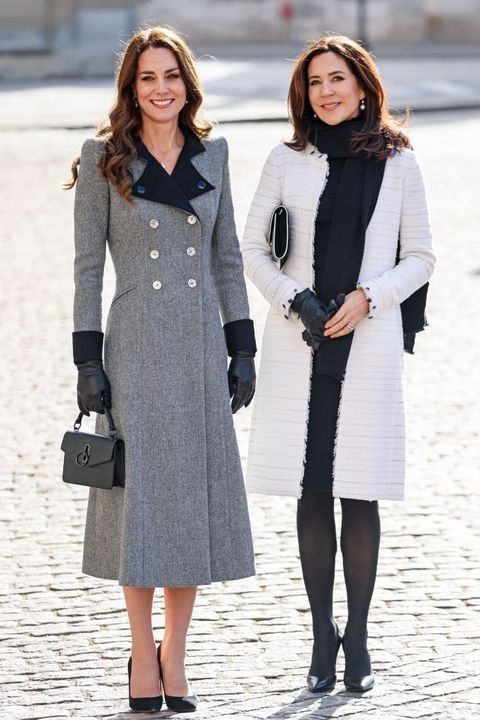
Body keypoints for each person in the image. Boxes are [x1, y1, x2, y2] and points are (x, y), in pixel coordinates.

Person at [65, 26, 256, 713]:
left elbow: (226, 258)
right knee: (140, 506)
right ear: (131, 88)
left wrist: (244, 348)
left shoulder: (216, 153)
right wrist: (88, 361)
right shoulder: (102, 158)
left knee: (189, 506)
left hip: (201, 345)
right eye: (147, 77)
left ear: (187, 83)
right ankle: (140, 654)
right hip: (136, 348)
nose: (161, 88)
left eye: (171, 74)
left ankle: (175, 655)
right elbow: (88, 268)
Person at [242, 34, 435, 693]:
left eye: (337, 79)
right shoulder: (284, 158)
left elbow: (421, 258)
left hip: (367, 341)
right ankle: (322, 635)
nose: (325, 91)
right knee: (311, 487)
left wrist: (368, 298)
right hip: (303, 344)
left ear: (362, 86)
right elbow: (254, 250)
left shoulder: (401, 162)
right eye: (314, 82)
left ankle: (359, 635)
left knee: (360, 487)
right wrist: (297, 299)